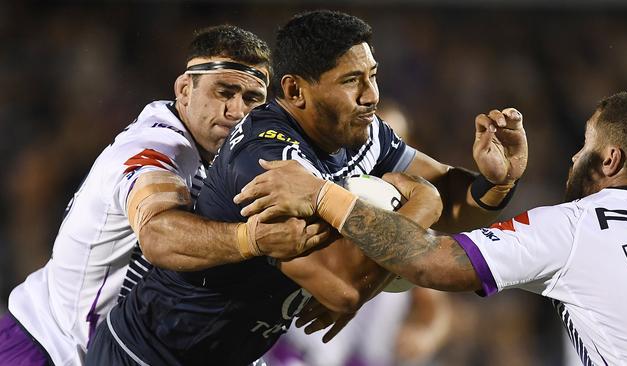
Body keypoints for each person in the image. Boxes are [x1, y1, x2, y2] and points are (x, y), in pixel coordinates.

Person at [86, 10, 527, 366]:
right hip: (150, 353)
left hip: (230, 352)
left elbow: (452, 197)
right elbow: (342, 286)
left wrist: (495, 182)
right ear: (295, 90)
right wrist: (423, 203)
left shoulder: (364, 134)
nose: (371, 95)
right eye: (352, 81)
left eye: (372, 76)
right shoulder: (265, 163)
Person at [239, 91, 627, 365]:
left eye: (585, 143)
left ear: (610, 160)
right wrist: (493, 186)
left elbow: (431, 262)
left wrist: (321, 195)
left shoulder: (577, 226)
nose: (575, 155)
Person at [0, 25, 326, 366]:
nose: (237, 111)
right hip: (48, 349)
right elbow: (158, 234)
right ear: (185, 90)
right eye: (224, 92)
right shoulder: (156, 147)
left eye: (251, 99)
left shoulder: (228, 158)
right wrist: (252, 239)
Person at [267, 100, 452, 366]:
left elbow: (434, 305)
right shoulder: (322, 193)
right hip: (293, 351)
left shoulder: (418, 222)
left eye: (391, 141)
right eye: (367, 140)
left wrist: (426, 334)